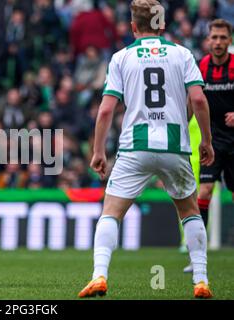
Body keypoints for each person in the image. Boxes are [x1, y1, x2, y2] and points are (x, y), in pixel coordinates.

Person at [78, 0, 215, 299]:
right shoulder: (182, 54)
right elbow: (200, 101)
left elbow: (105, 111)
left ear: (132, 26)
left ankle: (99, 276)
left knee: (111, 213)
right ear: (163, 25)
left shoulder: (121, 57)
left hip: (135, 147)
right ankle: (201, 280)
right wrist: (206, 140)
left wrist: (98, 151)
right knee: (190, 211)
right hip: (175, 145)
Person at [183, 19, 234, 273]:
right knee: (203, 193)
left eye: (223, 38)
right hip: (211, 142)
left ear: (230, 40)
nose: (217, 42)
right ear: (208, 40)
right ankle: (197, 257)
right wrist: (182, 124)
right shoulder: (201, 65)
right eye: (214, 37)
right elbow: (194, 100)